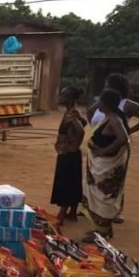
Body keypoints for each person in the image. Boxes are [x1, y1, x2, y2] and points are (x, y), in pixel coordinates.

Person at [88, 73, 139, 224]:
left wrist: (130, 130)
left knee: (112, 181)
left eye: (107, 85)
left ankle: (112, 211)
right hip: (99, 148)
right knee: (95, 180)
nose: (104, 87)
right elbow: (90, 112)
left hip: (114, 150)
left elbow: (122, 137)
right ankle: (95, 208)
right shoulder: (105, 102)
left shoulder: (126, 105)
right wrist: (97, 129)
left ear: (115, 88)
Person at [82, 89, 131, 241]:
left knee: (103, 198)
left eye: (100, 101)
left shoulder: (114, 119)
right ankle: (102, 230)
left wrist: (103, 151)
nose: (98, 103)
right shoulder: (109, 117)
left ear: (106, 103)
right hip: (100, 166)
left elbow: (122, 138)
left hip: (105, 168)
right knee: (99, 197)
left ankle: (101, 233)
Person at [51, 87, 87, 225]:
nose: (60, 97)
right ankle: (72, 212)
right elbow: (84, 122)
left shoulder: (71, 113)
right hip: (69, 152)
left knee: (65, 183)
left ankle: (61, 214)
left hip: (68, 153)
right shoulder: (73, 110)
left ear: (70, 99)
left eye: (63, 96)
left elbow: (81, 131)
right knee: (72, 182)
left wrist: (74, 146)